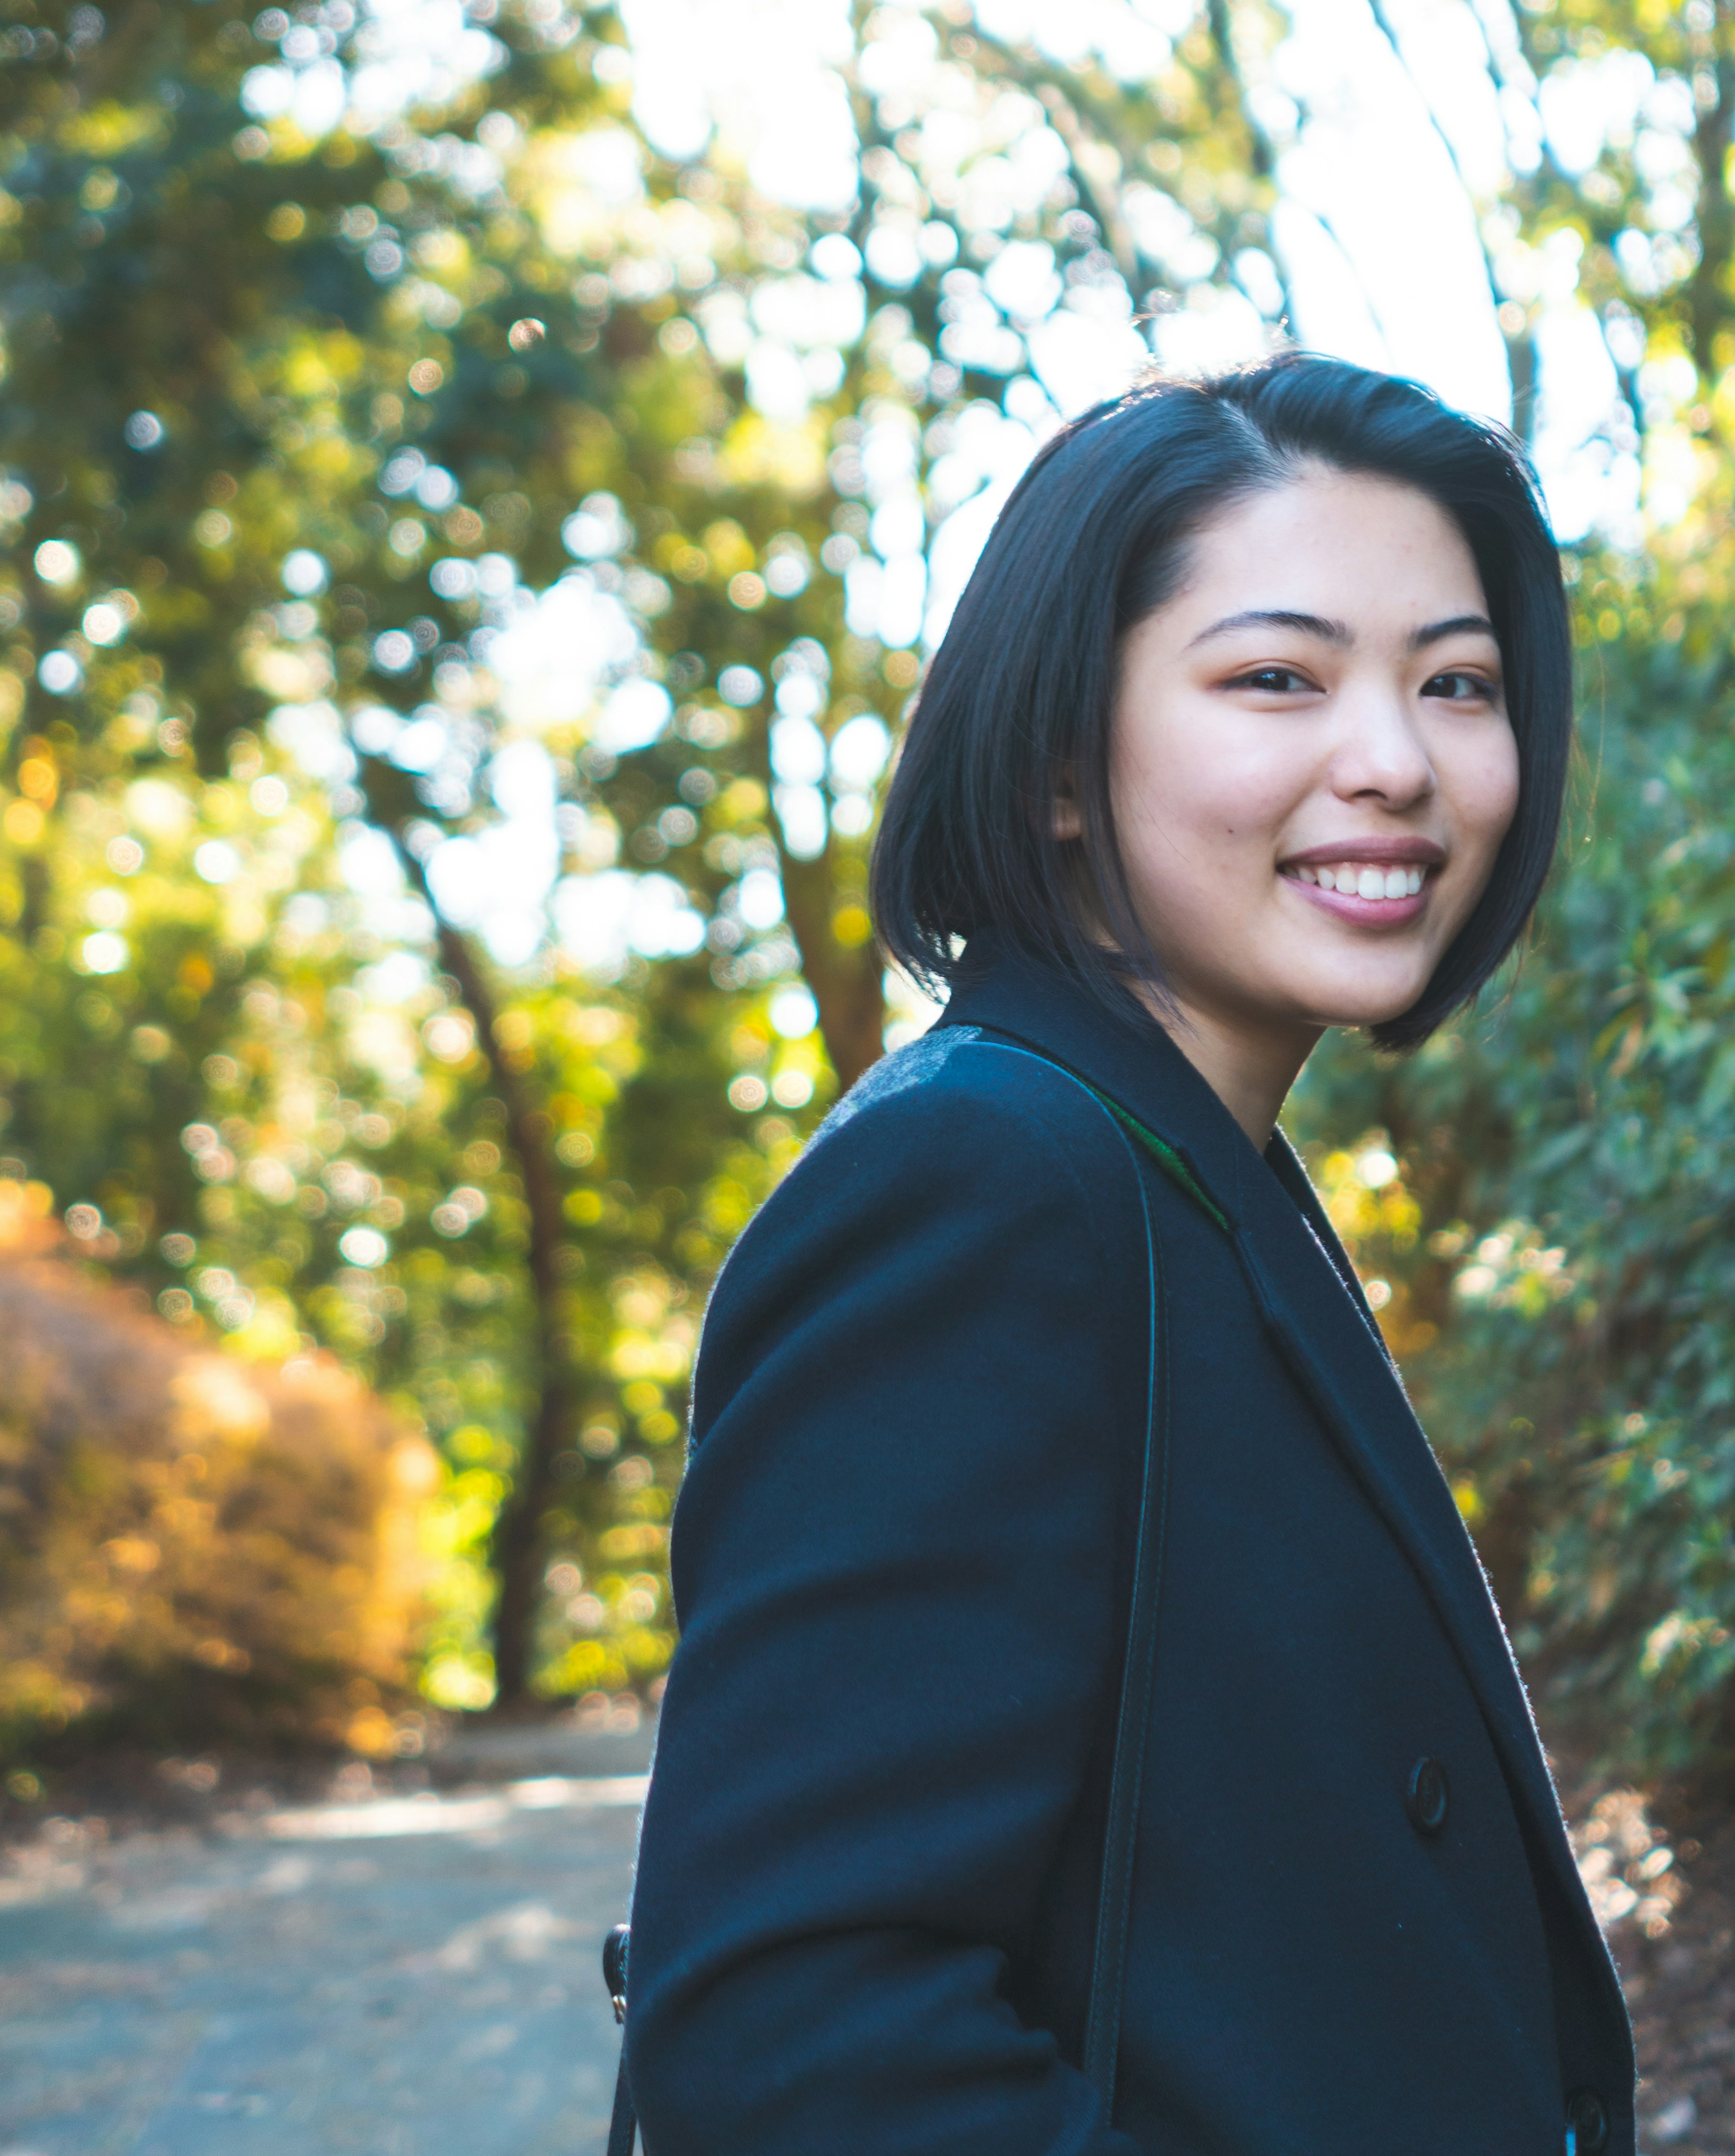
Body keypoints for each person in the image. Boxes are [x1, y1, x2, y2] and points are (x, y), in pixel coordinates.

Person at [617, 355, 1634, 2156]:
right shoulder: (983, 1184)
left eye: (1456, 682)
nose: (1394, 760)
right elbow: (793, 2039)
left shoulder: (1187, 1177)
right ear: (1059, 766)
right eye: (1275, 678)